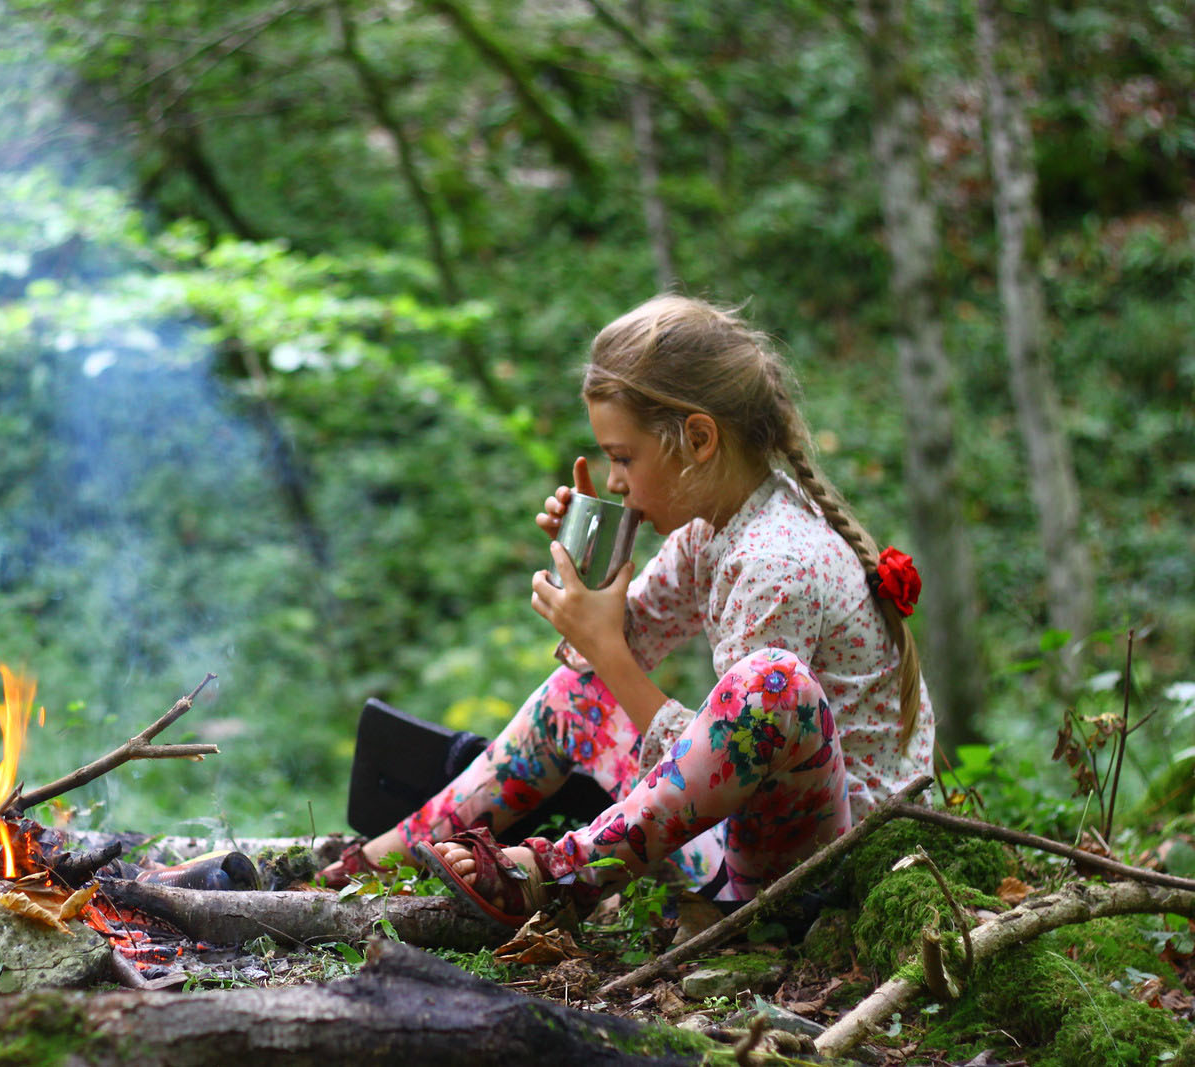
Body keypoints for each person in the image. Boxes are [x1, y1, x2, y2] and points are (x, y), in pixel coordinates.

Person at [320, 295, 934, 929]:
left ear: (698, 439)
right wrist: (592, 565)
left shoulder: (777, 559)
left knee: (769, 683)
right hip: (748, 844)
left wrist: (609, 654)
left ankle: (557, 876)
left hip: (820, 876)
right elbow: (605, 664)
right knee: (578, 693)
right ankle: (377, 863)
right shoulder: (711, 532)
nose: (614, 481)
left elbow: (738, 766)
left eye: (623, 457)